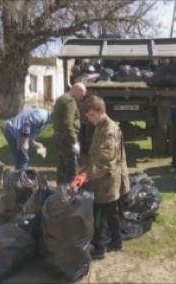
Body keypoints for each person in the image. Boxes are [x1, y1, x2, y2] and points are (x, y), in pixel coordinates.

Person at [77, 95, 130, 260]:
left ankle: (100, 248)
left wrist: (88, 174)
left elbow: (106, 162)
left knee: (99, 214)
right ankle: (117, 241)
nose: (90, 119)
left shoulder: (109, 130)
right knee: (112, 211)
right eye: (87, 116)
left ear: (101, 111)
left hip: (106, 181)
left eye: (92, 115)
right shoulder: (100, 126)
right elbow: (95, 154)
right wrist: (85, 168)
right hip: (105, 179)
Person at [52, 82, 87, 185]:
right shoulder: (70, 101)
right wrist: (74, 141)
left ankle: (60, 191)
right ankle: (68, 194)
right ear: (77, 90)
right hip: (66, 138)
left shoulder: (61, 98)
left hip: (59, 136)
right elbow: (67, 123)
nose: (82, 98)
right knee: (72, 169)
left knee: (62, 166)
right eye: (82, 95)